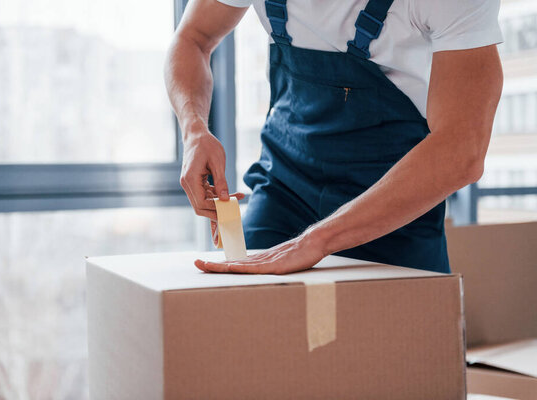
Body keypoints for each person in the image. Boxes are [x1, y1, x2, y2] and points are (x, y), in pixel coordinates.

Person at [164, 0, 503, 274]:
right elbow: (192, 38)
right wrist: (194, 130)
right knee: (239, 327)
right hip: (284, 190)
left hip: (393, 207)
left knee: (405, 346)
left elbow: (463, 148)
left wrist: (314, 242)